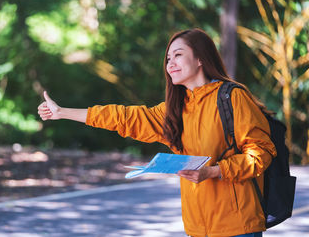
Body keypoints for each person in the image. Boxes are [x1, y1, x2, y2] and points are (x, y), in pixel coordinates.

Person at [37, 28, 276, 237]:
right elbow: (123, 118)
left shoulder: (232, 97)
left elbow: (261, 152)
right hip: (197, 226)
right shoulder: (175, 110)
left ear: (201, 58)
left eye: (178, 55)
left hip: (236, 225)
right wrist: (63, 112)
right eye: (168, 58)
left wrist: (214, 171)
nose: (170, 63)